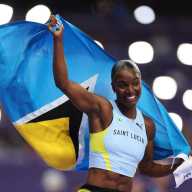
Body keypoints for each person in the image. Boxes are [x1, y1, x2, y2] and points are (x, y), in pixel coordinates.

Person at [48, 15, 183, 192]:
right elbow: (63, 83)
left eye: (135, 83)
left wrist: (180, 164)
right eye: (123, 85)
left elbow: (147, 168)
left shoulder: (147, 125)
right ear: (113, 87)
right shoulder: (103, 109)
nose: (130, 90)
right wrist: (58, 39)